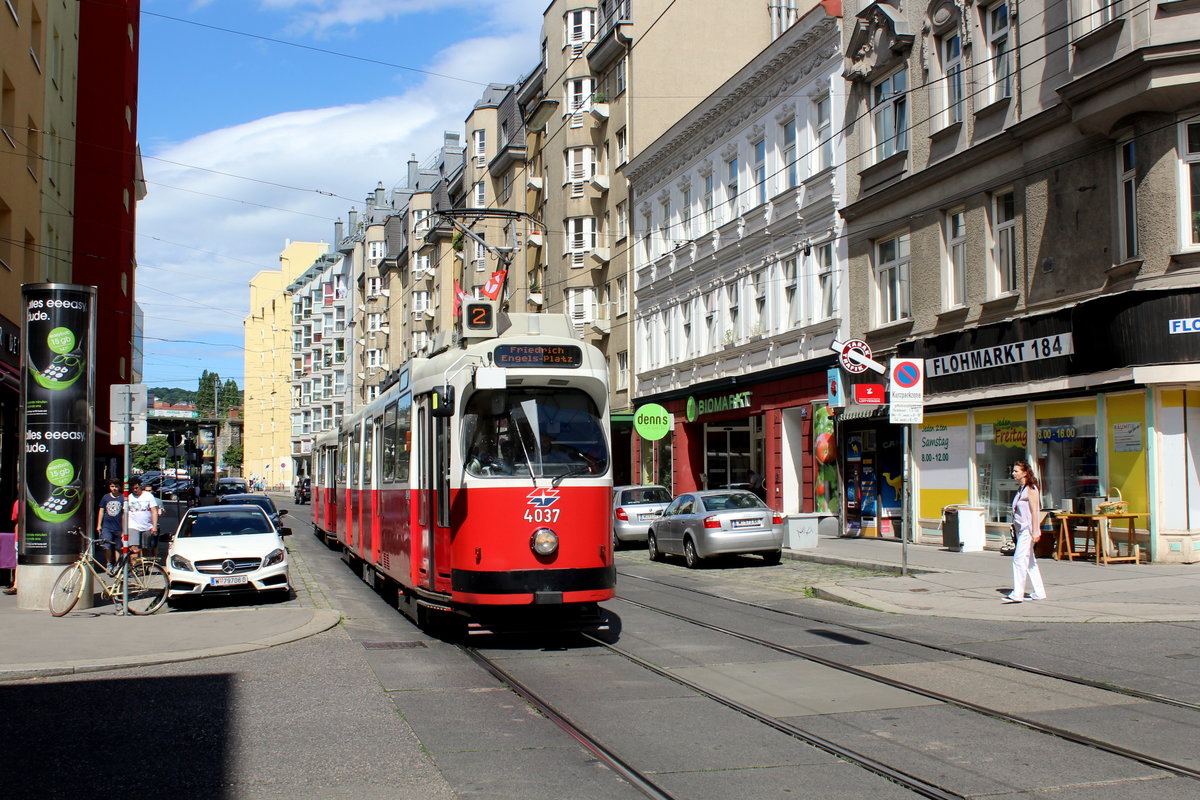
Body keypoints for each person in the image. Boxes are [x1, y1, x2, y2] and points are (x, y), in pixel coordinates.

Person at [1004, 459, 1048, 604]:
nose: (1013, 473)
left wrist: (1036, 531)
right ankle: (1039, 592)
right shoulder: (1020, 489)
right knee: (1030, 562)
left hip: (1027, 530)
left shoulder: (1031, 489)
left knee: (1018, 560)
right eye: (1014, 470)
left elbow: (1035, 511)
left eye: (1016, 471)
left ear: (1024, 473)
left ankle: (1018, 593)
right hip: (1020, 529)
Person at [125, 478, 159, 560]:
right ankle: (135, 569)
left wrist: (154, 526)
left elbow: (154, 511)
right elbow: (125, 514)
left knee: (145, 548)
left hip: (147, 526)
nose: (135, 490)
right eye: (132, 489)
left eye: (136, 488)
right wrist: (124, 529)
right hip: (133, 526)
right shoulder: (129, 497)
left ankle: (145, 566)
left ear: (140, 486)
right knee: (134, 548)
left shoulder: (148, 496)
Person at [95, 480, 125, 570]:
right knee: (107, 546)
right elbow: (101, 510)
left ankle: (117, 564)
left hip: (119, 526)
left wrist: (124, 529)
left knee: (118, 547)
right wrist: (99, 525)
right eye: (112, 486)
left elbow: (124, 513)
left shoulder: (123, 497)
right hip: (107, 526)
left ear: (119, 487)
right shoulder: (106, 497)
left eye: (116, 486)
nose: (114, 488)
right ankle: (109, 563)